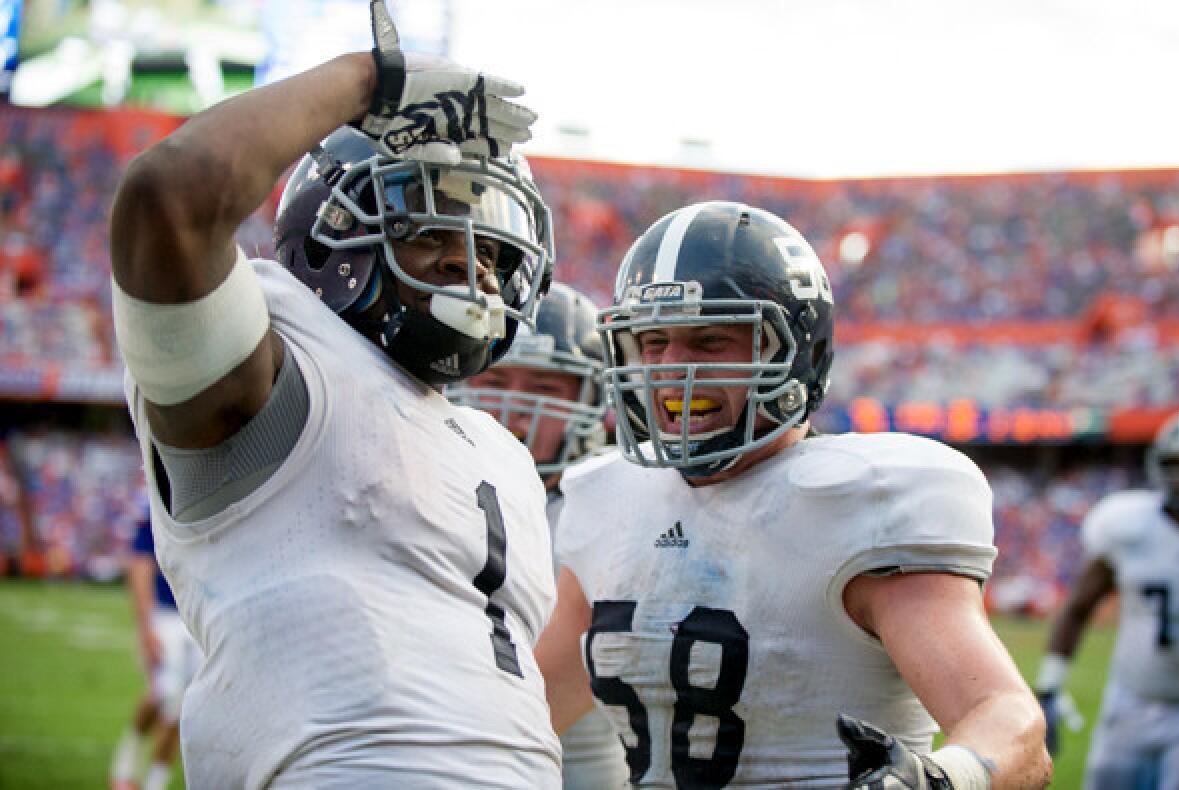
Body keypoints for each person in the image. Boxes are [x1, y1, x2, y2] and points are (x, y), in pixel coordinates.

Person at [108, 1, 562, 785]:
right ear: (330, 239)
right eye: (434, 231)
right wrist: (368, 82)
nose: (475, 268)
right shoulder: (283, 377)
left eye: (491, 249)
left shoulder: (502, 455)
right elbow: (167, 201)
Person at [534, 201, 1052, 789]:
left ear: (796, 352)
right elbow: (533, 711)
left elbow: (1011, 724)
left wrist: (941, 779)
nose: (672, 368)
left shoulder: (864, 501)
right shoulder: (607, 498)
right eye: (653, 341)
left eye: (708, 341)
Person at [448, 281, 631, 789]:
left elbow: (533, 710)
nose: (516, 409)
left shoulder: (608, 504)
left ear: (592, 399)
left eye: (545, 389)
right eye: (498, 380)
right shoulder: (420, 484)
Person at [1036, 407, 1179, 789]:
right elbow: (1078, 607)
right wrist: (1049, 687)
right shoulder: (1128, 524)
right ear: (1160, 467)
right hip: (1130, 699)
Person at [111, 497, 202, 790]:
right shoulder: (154, 504)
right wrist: (145, 625)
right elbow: (140, 563)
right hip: (165, 615)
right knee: (164, 695)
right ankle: (127, 762)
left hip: (200, 617)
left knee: (185, 707)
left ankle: (155, 783)